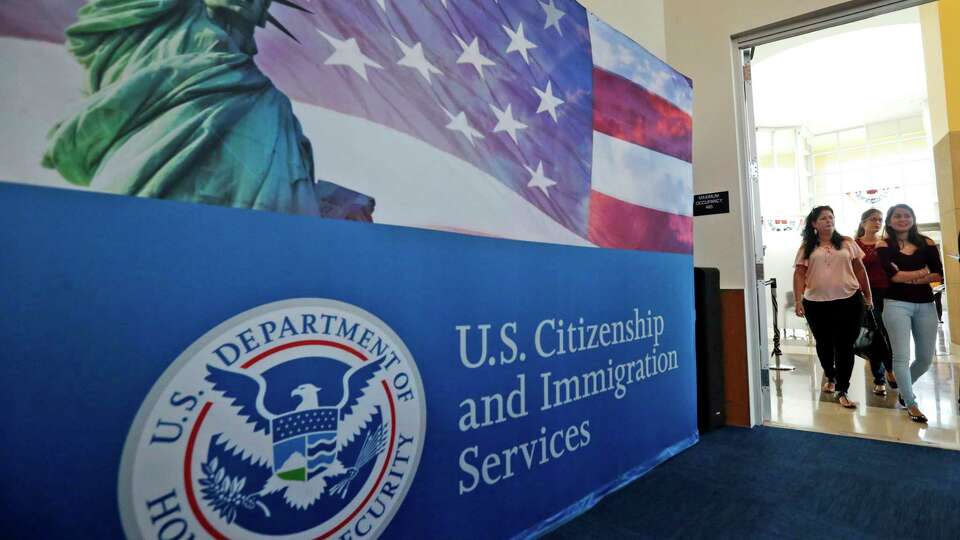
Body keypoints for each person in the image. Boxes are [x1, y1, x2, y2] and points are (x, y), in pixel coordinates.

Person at [42, 0, 374, 221]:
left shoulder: (269, 104)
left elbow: (279, 207)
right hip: (146, 215)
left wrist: (330, 206)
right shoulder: (163, 31)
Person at [793, 206, 873, 409]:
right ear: (814, 224)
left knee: (845, 345)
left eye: (831, 217)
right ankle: (830, 373)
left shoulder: (847, 242)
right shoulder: (807, 247)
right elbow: (799, 274)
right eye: (823, 218)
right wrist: (797, 299)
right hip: (816, 304)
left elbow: (860, 269)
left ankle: (843, 389)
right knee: (824, 343)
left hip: (849, 300)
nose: (828, 220)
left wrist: (868, 295)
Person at [876, 204, 943, 423]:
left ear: (913, 219)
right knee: (902, 357)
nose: (903, 219)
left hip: (925, 304)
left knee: (924, 359)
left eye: (907, 215)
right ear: (890, 220)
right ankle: (911, 403)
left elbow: (938, 275)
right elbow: (893, 276)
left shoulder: (927, 242)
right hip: (896, 304)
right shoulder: (884, 244)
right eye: (897, 216)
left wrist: (911, 275)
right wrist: (923, 272)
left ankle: (904, 391)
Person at [855, 208, 897, 396]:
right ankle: (880, 377)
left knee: (887, 334)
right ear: (863, 222)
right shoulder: (854, 244)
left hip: (886, 292)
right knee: (874, 336)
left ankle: (890, 369)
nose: (877, 223)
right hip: (864, 295)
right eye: (873, 219)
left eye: (880, 220)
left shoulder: (886, 244)